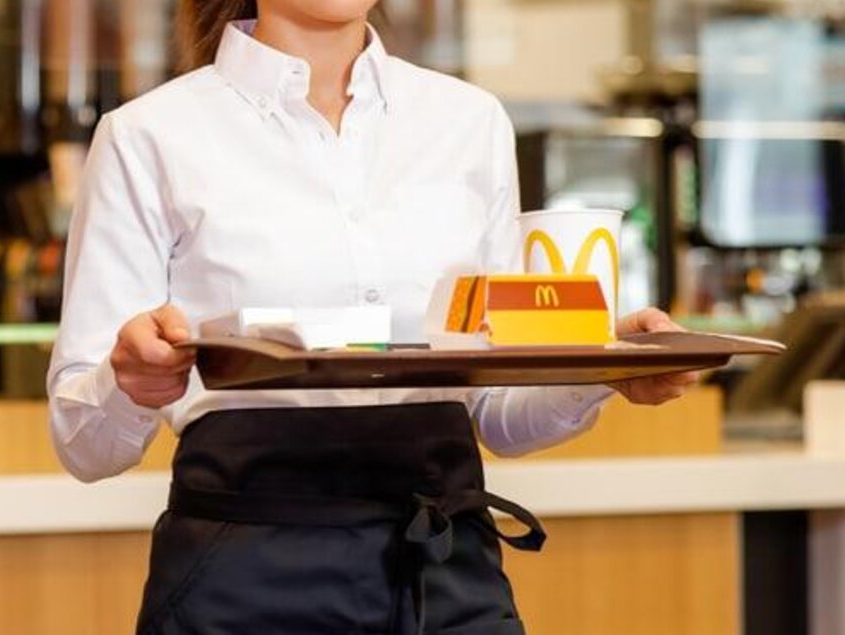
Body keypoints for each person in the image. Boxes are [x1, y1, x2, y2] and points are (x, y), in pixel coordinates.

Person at [46, 1, 698, 633]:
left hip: (446, 569)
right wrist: (131, 381)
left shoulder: (469, 123)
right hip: (247, 574)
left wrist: (606, 368)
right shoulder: (147, 136)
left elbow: (496, 410)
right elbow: (84, 445)